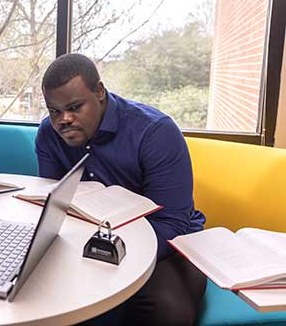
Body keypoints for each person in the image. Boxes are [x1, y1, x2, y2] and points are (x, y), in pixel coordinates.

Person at [35, 53, 207, 325]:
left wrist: (112, 258)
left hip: (167, 245)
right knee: (38, 289)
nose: (63, 119)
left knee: (169, 312)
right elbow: (57, 209)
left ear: (100, 92)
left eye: (75, 107)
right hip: (88, 239)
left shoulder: (155, 132)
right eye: (54, 111)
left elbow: (173, 222)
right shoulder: (48, 134)